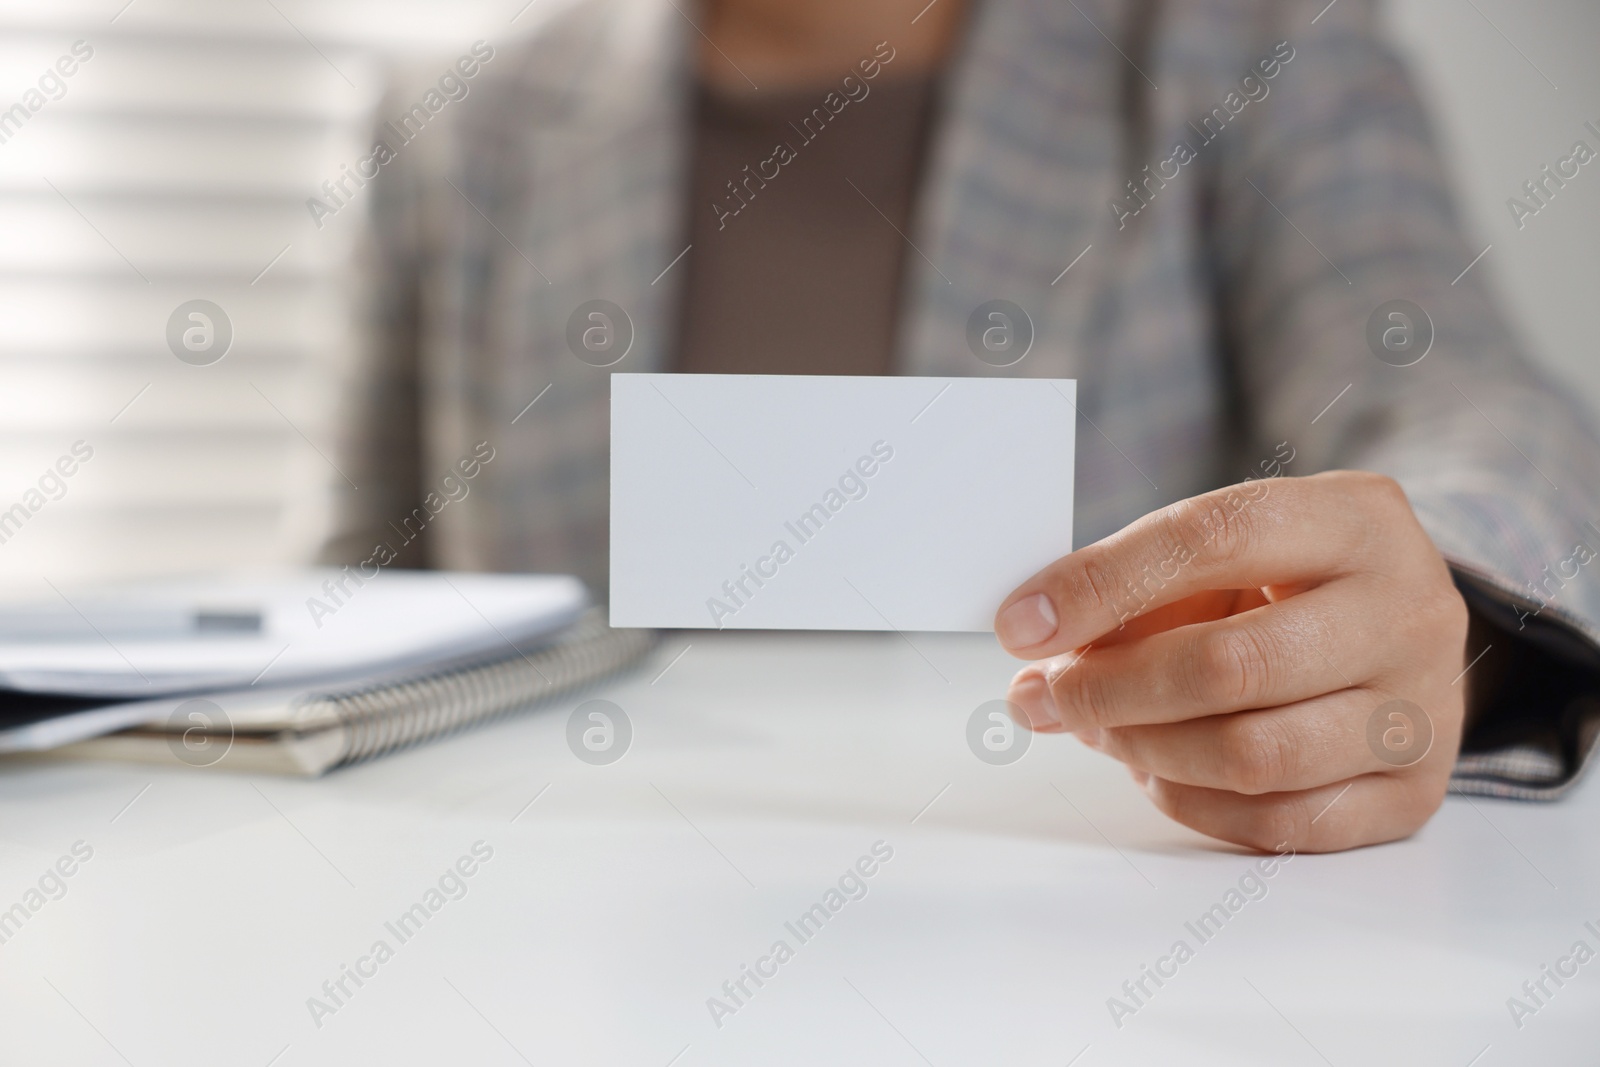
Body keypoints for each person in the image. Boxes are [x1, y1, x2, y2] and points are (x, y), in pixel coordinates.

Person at [327, 0, 1600, 852]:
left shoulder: (1248, 45)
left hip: (1076, 902)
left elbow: (1464, 394)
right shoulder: (461, 124)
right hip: (560, 908)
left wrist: (1439, 590)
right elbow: (350, 580)